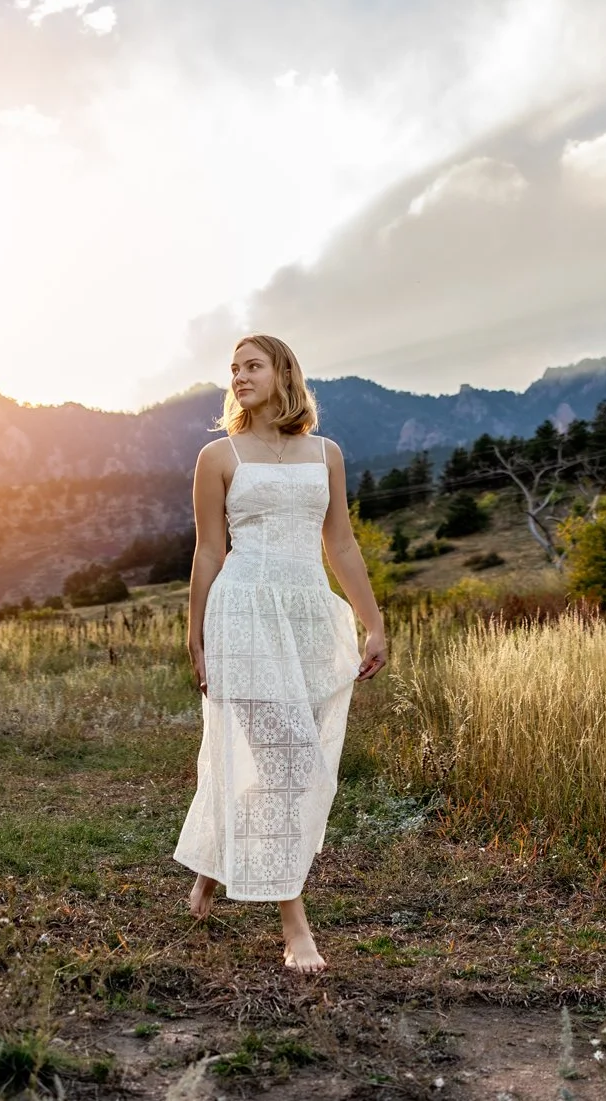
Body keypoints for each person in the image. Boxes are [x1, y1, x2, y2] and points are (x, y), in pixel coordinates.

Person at [172, 333, 389, 973]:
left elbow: (342, 545)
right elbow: (209, 551)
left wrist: (372, 624)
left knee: (286, 753)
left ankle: (211, 871)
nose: (238, 376)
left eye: (252, 366)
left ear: (282, 372)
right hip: (242, 612)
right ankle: (295, 927)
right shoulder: (217, 456)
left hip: (309, 613)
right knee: (288, 759)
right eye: (233, 368)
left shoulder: (327, 454)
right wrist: (196, 632)